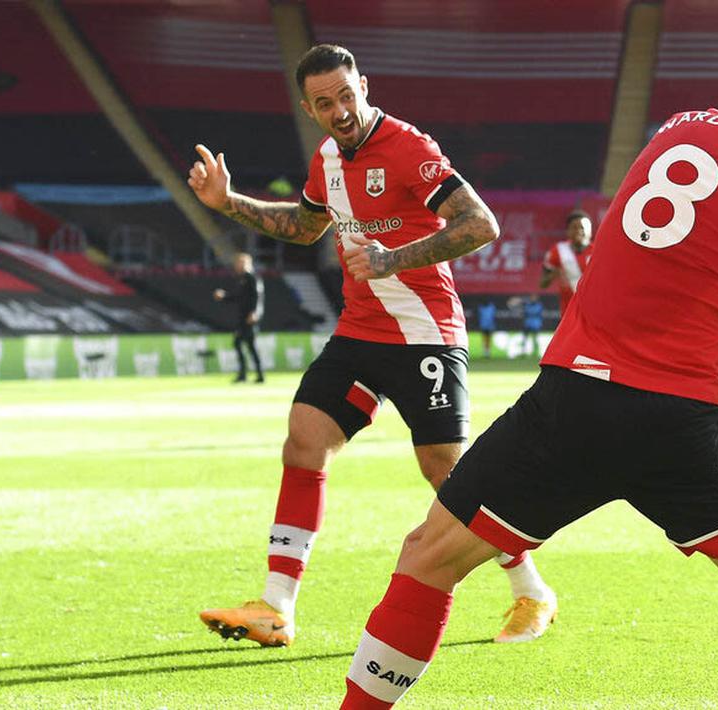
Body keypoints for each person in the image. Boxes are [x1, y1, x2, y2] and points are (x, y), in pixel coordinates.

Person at [337, 57, 718, 709]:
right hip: (679, 422)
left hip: (575, 402)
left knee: (430, 559)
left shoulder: (686, 125)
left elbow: (717, 269)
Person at [186, 44, 556, 648]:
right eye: (325, 103)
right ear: (310, 109)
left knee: (447, 472)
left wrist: (391, 259)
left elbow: (480, 224)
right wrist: (228, 203)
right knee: (304, 441)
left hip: (424, 332)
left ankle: (531, 590)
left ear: (364, 84)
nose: (341, 111)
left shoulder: (409, 147)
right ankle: (276, 606)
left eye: (347, 95)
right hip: (359, 331)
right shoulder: (327, 159)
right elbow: (305, 227)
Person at [213, 252, 265, 384]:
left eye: (240, 262)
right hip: (243, 317)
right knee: (246, 345)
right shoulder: (242, 279)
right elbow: (238, 297)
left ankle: (251, 375)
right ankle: (253, 375)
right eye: (237, 263)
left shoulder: (252, 278)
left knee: (244, 344)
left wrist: (254, 313)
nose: (237, 265)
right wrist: (224, 296)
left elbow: (258, 297)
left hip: (249, 318)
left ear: (247, 263)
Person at [539, 209, 594, 315]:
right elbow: (543, 284)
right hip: (568, 311)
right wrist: (553, 275)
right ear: (568, 231)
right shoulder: (558, 251)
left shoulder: (597, 252)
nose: (579, 231)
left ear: (590, 231)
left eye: (582, 227)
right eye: (574, 227)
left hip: (593, 308)